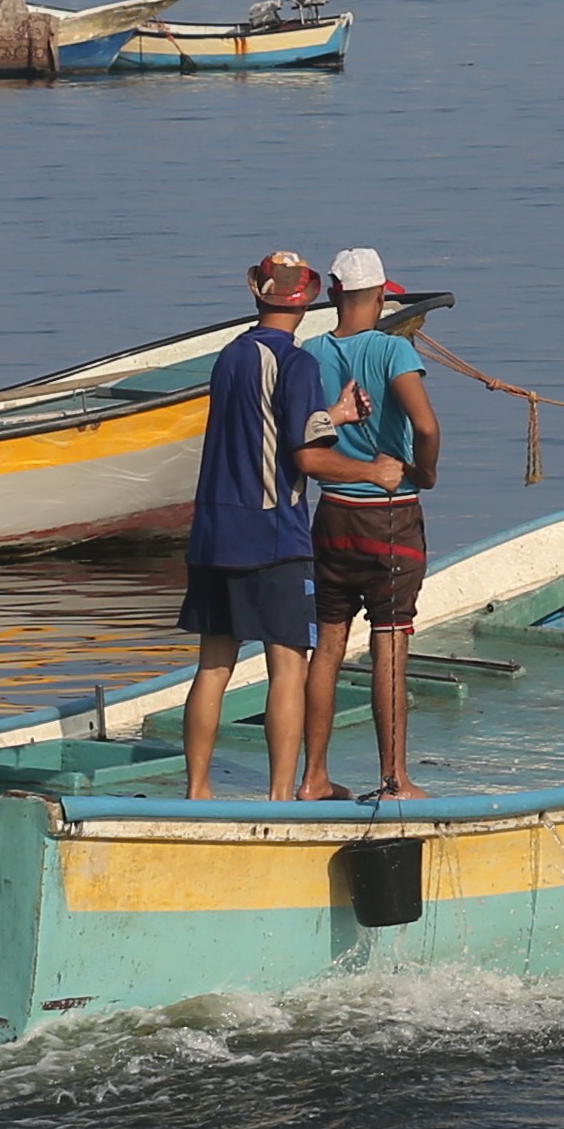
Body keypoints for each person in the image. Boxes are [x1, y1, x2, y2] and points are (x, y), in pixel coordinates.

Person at [174, 251, 366, 801]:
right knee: (288, 664)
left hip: (213, 531)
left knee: (213, 666)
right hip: (273, 532)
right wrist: (372, 469)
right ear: (308, 301)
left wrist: (337, 415)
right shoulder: (299, 363)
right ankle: (282, 795)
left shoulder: (231, 356)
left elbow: (269, 427)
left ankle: (197, 792)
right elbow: (305, 456)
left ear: (256, 290)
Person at [304, 245, 449, 801]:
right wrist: (425, 472)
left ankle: (314, 776)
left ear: (335, 294)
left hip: (331, 512)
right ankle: (394, 779)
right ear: (384, 294)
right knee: (390, 641)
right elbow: (427, 425)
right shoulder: (394, 351)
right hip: (388, 518)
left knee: (330, 642)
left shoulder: (311, 352)